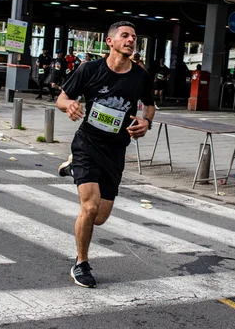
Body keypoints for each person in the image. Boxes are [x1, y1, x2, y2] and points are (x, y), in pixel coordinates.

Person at [56, 21, 155, 288]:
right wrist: (70, 105)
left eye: (134, 37)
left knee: (99, 217)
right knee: (89, 208)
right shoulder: (89, 69)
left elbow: (149, 106)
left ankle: (74, 167)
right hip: (87, 143)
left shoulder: (141, 76)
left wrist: (146, 122)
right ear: (110, 42)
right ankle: (81, 263)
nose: (131, 40)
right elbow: (61, 98)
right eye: (125, 36)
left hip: (115, 150)